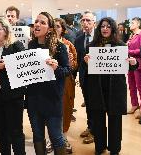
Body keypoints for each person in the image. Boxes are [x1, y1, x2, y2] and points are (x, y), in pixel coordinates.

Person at [83, 17, 138, 155]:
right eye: (102, 26)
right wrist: (86, 62)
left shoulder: (121, 46)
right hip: (97, 89)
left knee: (115, 121)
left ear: (112, 28)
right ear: (99, 28)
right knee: (98, 120)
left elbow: (128, 67)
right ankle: (99, 147)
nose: (105, 28)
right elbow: (87, 69)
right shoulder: (91, 46)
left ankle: (114, 149)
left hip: (115, 89)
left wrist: (133, 63)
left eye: (108, 26)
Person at [27, 12, 70, 155]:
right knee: (38, 136)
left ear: (50, 29)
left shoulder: (59, 47)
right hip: (34, 98)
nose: (37, 24)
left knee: (56, 137)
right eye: (36, 21)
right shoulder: (31, 45)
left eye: (43, 22)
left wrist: (57, 68)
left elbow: (67, 71)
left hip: (52, 99)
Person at [0, 17, 26, 155]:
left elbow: (25, 67)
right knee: (1, 131)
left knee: (15, 132)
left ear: (6, 31)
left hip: (12, 96)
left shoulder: (15, 46)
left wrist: (8, 65)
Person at [55, 18, 77, 154]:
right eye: (53, 26)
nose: (55, 29)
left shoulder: (68, 44)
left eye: (58, 26)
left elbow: (75, 65)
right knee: (50, 111)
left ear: (63, 29)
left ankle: (64, 138)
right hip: (49, 84)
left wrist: (69, 62)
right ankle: (51, 139)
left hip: (66, 82)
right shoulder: (45, 44)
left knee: (65, 109)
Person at [74, 11, 96, 144]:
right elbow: (77, 60)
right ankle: (90, 126)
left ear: (94, 22)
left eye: (88, 20)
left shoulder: (100, 37)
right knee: (88, 103)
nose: (85, 23)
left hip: (98, 78)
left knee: (96, 105)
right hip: (84, 77)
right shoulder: (78, 39)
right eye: (83, 20)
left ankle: (96, 131)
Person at [127, 17, 141, 119]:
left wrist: (128, 51)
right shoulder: (132, 35)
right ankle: (134, 105)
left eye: (132, 22)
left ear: (138, 24)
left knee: (140, 87)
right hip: (129, 63)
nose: (130, 24)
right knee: (131, 85)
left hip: (138, 64)